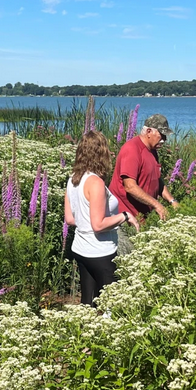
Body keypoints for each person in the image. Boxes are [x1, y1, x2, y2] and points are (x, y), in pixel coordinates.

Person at [65, 130, 137, 304]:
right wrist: (124, 216)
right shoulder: (96, 183)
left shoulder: (73, 179)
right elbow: (98, 225)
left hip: (81, 249)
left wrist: (86, 222)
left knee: (88, 303)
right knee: (112, 304)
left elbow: (70, 219)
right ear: (101, 153)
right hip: (100, 253)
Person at [109, 113, 180, 223]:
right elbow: (130, 187)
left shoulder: (153, 151)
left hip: (142, 218)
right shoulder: (132, 149)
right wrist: (157, 205)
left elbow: (157, 180)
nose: (164, 139)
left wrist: (172, 200)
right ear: (149, 132)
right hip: (125, 217)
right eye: (162, 135)